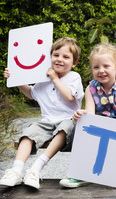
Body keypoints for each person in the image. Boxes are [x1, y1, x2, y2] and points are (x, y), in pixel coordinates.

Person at [0, 37, 84, 189]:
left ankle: (35, 169)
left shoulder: (73, 77)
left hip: (68, 121)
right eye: (56, 55)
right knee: (29, 133)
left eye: (66, 57)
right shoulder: (43, 78)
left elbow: (70, 97)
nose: (59, 59)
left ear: (74, 63)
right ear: (49, 57)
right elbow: (32, 93)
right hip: (47, 121)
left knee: (64, 128)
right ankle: (16, 170)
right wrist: (16, 79)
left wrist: (54, 78)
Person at [59, 43, 116, 189]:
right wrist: (80, 115)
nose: (101, 71)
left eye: (106, 66)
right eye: (96, 67)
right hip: (98, 128)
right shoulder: (91, 88)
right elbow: (90, 114)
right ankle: (81, 171)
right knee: (79, 127)